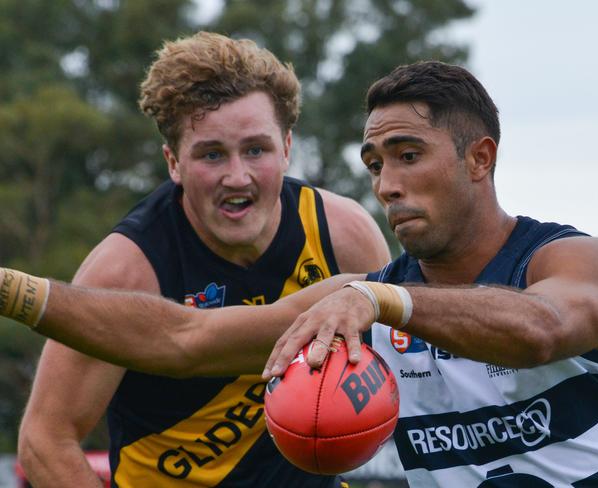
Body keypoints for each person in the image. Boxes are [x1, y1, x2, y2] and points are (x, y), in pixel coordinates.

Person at [1, 60, 598, 487]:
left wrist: (382, 300)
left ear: (479, 158)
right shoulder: (363, 295)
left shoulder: (579, 260)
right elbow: (181, 338)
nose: (387, 185)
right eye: (374, 164)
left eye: (408, 155)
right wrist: (13, 289)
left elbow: (542, 327)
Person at [15, 32, 389, 488]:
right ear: (173, 162)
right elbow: (44, 440)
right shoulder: (127, 269)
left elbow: (406, 382)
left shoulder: (343, 234)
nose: (237, 176)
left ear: (287, 147)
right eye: (212, 154)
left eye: (256, 149)